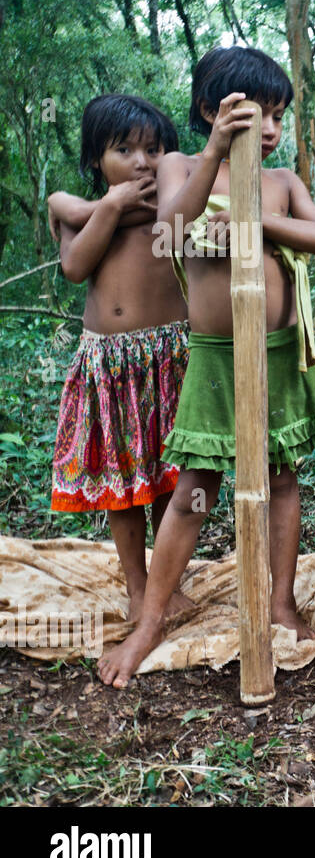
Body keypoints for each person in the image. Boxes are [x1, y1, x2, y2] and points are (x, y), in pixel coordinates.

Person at [97, 46, 315, 688]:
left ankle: (281, 602)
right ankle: (150, 620)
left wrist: (258, 218)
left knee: (282, 479)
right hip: (213, 356)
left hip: (281, 354)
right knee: (195, 490)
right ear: (211, 111)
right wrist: (213, 158)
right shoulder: (183, 165)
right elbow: (172, 232)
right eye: (256, 114)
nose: (268, 129)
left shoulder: (282, 182)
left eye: (278, 116)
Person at [47, 94, 188, 622]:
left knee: (169, 478)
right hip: (111, 365)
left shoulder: (171, 208)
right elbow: (75, 267)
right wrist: (107, 207)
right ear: (94, 159)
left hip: (171, 357)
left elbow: (184, 222)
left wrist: (110, 209)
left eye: (153, 149)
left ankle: (166, 584)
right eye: (124, 149)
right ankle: (137, 589)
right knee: (124, 484)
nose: (141, 162)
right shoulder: (83, 213)